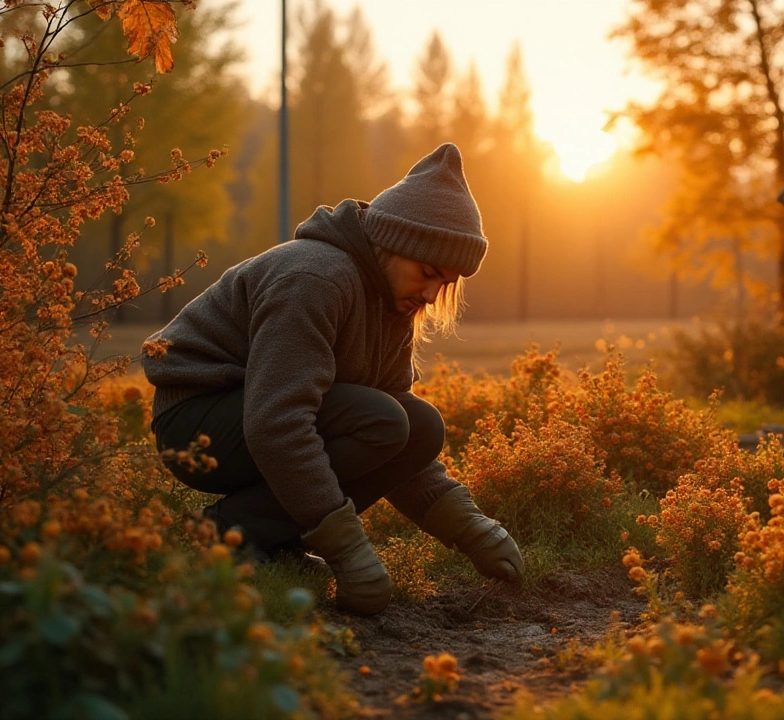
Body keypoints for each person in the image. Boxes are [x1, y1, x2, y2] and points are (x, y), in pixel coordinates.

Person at [143, 143, 523, 616]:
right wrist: (348, 550)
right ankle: (220, 537)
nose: (430, 294)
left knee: (419, 424)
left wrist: (469, 528)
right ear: (390, 244)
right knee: (384, 419)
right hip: (197, 423)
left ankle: (268, 540)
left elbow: (402, 443)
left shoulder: (390, 304)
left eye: (444, 284)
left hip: (252, 419)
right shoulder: (315, 278)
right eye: (427, 273)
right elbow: (277, 422)